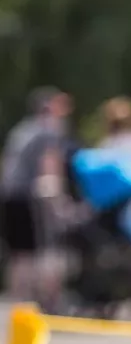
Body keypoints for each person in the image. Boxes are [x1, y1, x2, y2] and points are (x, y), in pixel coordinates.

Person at [0, 87, 73, 309]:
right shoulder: (49, 129)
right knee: (39, 250)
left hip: (9, 193)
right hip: (28, 195)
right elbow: (50, 165)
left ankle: (18, 303)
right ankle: (43, 300)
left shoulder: (22, 129)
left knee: (19, 252)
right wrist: (61, 201)